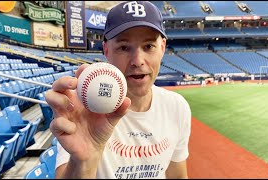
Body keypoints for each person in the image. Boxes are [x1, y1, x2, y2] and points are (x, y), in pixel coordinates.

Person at [46, 1, 191, 179]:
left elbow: (177, 176)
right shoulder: (82, 110)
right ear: (106, 50)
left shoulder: (177, 107)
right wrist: (83, 161)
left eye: (148, 46)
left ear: (162, 47)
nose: (138, 60)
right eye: (124, 47)